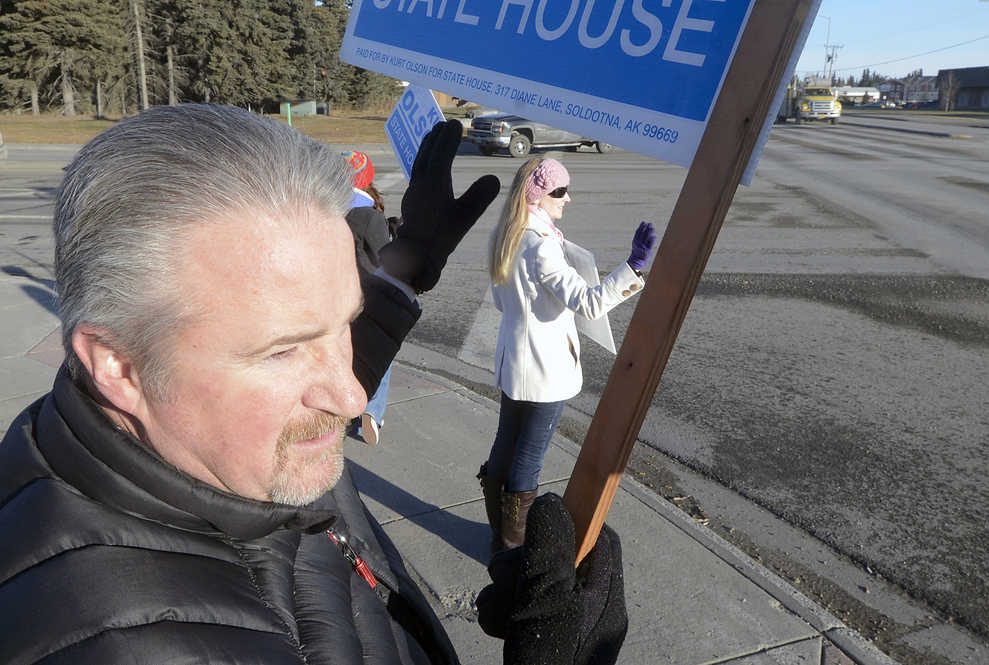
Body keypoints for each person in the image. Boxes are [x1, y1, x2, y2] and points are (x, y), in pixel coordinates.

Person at [0, 105, 628, 665]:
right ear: (119, 364)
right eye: (283, 352)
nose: (350, 396)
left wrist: (400, 273)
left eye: (345, 324)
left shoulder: (202, 433)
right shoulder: (128, 644)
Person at [480, 157, 656, 554]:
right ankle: (512, 552)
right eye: (560, 191)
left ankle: (500, 540)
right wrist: (632, 269)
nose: (568, 198)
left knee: (506, 446)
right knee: (528, 459)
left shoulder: (504, 234)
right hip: (545, 370)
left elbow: (499, 301)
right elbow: (590, 305)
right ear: (538, 197)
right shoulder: (542, 247)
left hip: (513, 363)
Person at [344, 149, 393, 445]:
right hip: (367, 297)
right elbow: (383, 262)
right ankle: (371, 411)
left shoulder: (325, 208)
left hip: (333, 298)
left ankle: (344, 409)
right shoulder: (369, 216)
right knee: (380, 353)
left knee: (344, 353)